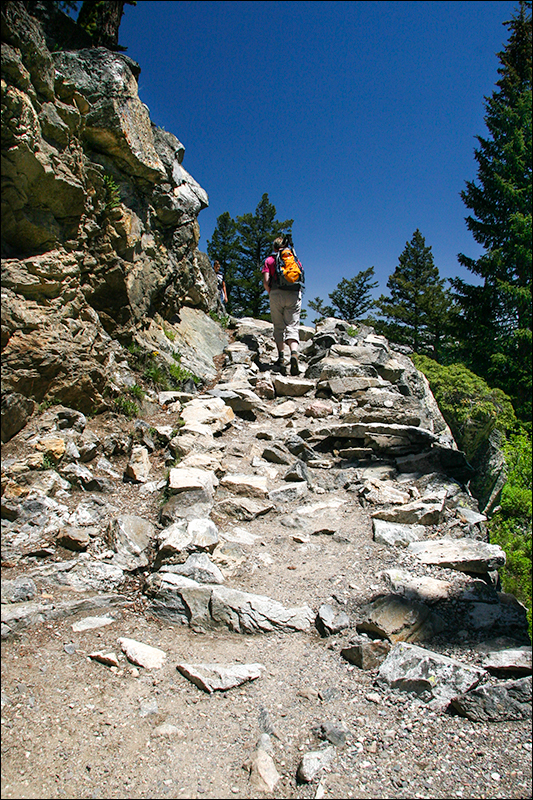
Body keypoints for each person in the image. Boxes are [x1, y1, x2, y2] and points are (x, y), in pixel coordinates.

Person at [262, 236, 302, 376]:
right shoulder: (292, 258)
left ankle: (281, 357)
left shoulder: (269, 260)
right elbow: (300, 274)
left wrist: (271, 292)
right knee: (292, 325)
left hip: (276, 293)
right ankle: (294, 353)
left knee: (279, 326)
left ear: (274, 247)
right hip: (293, 294)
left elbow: (266, 281)